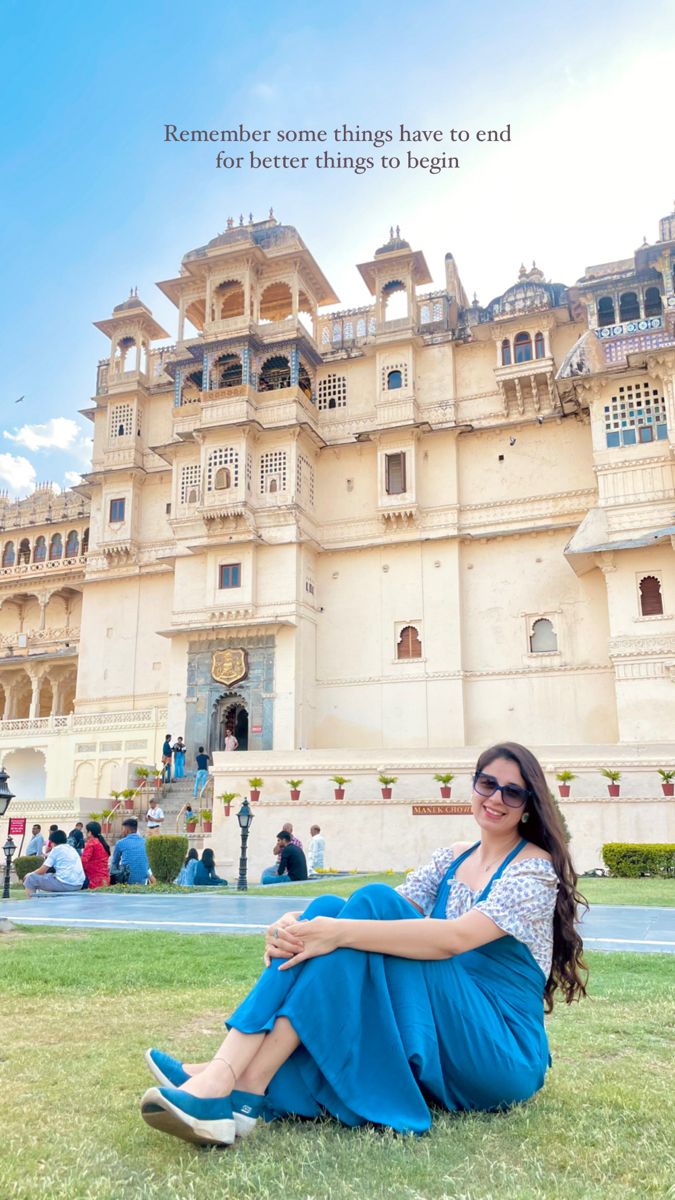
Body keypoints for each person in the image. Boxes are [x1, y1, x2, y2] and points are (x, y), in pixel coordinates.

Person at [140, 741, 588, 1148]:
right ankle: (228, 1077)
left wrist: (333, 932)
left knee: (360, 908)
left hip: (498, 1050)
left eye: (513, 792)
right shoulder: (454, 856)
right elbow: (382, 915)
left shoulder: (534, 869)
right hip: (445, 1020)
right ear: (473, 785)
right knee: (330, 905)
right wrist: (300, 925)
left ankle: (234, 1077)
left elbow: (455, 938)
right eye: (488, 783)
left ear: (528, 806)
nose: (496, 798)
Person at [23, 830, 86, 897]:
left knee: (31, 879)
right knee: (50, 875)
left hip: (65, 884)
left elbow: (42, 870)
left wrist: (30, 874)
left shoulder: (56, 849)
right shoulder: (71, 849)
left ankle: (31, 903)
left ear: (52, 842)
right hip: (79, 884)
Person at [110, 818, 155, 885]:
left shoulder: (120, 843)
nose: (122, 831)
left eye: (123, 829)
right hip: (144, 881)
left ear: (127, 830)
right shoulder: (145, 842)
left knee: (114, 869)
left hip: (127, 881)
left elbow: (114, 863)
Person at [81, 821, 111, 889]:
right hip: (105, 880)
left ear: (90, 832)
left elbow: (84, 861)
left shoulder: (91, 843)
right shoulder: (102, 843)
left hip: (93, 880)